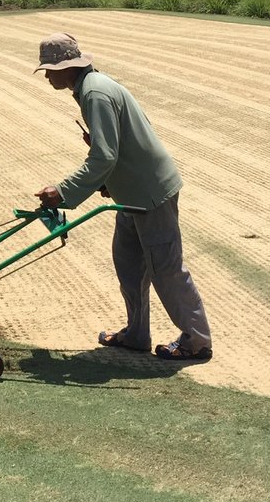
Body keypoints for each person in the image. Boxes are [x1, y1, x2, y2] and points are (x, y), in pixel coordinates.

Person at [30, 32, 212, 361]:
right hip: (131, 194)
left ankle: (197, 340)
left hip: (150, 193)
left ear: (66, 68)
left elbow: (104, 156)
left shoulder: (95, 93)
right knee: (128, 264)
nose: (47, 76)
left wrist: (63, 191)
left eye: (49, 70)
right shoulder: (92, 87)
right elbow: (119, 147)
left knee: (166, 268)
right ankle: (137, 334)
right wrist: (109, 184)